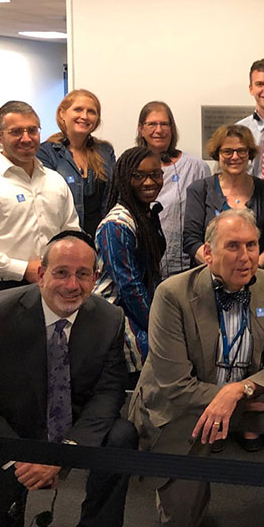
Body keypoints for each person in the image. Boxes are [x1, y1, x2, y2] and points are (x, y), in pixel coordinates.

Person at [129, 208, 264, 527]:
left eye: (251, 245)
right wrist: (258, 403)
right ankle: (176, 494)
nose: (245, 257)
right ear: (207, 252)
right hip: (182, 413)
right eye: (233, 246)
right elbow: (176, 387)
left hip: (239, 399)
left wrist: (240, 391)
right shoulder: (172, 294)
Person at [0, 231, 137, 527]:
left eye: (82, 274)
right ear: (41, 274)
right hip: (4, 425)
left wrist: (65, 454)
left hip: (66, 424)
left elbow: (109, 392)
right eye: (61, 272)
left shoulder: (109, 318)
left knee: (122, 434)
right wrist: (21, 454)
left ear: (95, 277)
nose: (72, 285)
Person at [0, 100, 79, 299]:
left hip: (51, 287)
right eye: (16, 132)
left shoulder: (55, 181)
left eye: (32, 130)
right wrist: (22, 269)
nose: (26, 138)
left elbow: (71, 233)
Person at [94, 147, 167, 378]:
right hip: (115, 312)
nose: (149, 182)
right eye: (139, 176)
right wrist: (156, 328)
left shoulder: (145, 214)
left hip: (139, 305)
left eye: (156, 174)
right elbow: (129, 286)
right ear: (125, 178)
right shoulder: (117, 224)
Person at [183, 124, 264, 269]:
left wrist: (253, 268)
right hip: (211, 276)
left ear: (249, 153)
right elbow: (191, 240)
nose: (235, 156)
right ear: (217, 154)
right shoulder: (200, 190)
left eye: (241, 151)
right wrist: (219, 268)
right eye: (227, 151)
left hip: (258, 276)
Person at [136, 100, 210, 278]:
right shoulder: (130, 167)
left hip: (188, 266)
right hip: (144, 268)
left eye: (164, 124)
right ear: (141, 129)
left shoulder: (195, 167)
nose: (159, 130)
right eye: (152, 124)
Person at [37, 89, 116, 236]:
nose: (84, 116)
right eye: (78, 109)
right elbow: (46, 204)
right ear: (62, 113)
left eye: (91, 112)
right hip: (65, 240)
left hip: (102, 239)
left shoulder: (105, 151)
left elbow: (113, 197)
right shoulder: (46, 153)